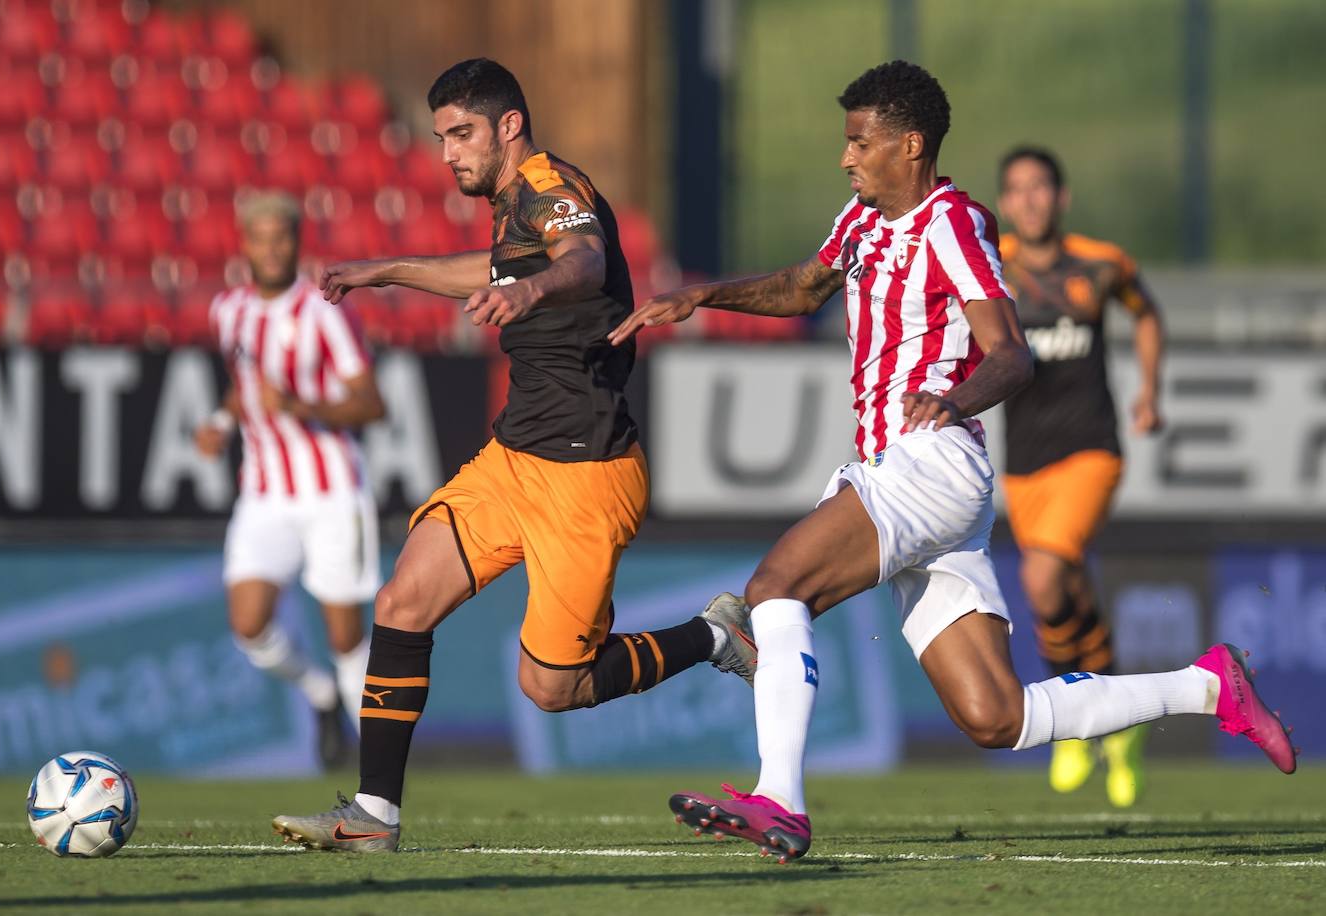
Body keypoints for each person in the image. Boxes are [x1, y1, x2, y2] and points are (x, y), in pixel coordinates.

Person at [610, 60, 1297, 864]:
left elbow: (1012, 355)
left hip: (929, 463)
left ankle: (780, 802)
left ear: (910, 145)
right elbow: (802, 289)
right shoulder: (862, 220)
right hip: (922, 482)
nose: (846, 158)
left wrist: (956, 401)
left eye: (859, 143)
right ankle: (1210, 685)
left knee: (775, 589)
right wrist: (703, 295)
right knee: (995, 718)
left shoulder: (954, 222)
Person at [272, 58, 748, 852]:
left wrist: (528, 294)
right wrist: (386, 271)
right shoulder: (510, 207)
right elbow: (491, 269)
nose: (448, 152)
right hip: (515, 455)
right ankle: (373, 818)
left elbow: (586, 258)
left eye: (462, 133)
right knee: (400, 605)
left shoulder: (548, 184)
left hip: (586, 472)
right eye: (439, 138)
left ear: (509, 126)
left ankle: (716, 636)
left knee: (553, 687)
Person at [995, 146, 1166, 807]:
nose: (1032, 200)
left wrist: (1150, 390)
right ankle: (1118, 722)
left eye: (1042, 188)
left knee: (1041, 580)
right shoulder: (991, 264)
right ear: (1007, 202)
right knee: (1067, 588)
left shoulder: (1101, 263)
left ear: (1061, 198)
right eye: (1018, 190)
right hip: (1023, 463)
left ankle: (1072, 721)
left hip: (1092, 449)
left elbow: (1146, 313)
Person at [195, 190, 386, 770]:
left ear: (297, 243)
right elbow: (243, 384)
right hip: (263, 492)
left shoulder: (324, 310)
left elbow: (372, 404)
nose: (273, 248)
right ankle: (318, 694)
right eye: (262, 237)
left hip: (331, 490)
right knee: (249, 627)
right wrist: (221, 421)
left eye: (283, 237)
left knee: (347, 640)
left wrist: (301, 406)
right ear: (245, 243)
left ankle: (378, 779)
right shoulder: (227, 311)